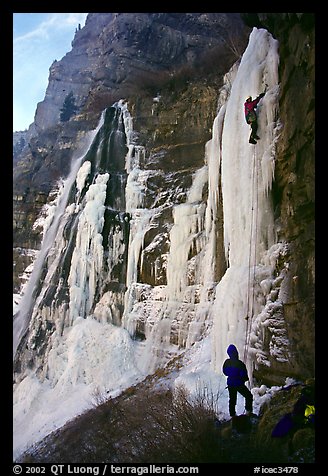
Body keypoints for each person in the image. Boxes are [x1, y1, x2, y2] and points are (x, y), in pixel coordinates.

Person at [222, 344, 253, 417]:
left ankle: (232, 415)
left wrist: (232, 374)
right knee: (248, 396)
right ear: (236, 352)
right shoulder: (240, 364)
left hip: (230, 384)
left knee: (232, 399)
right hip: (238, 384)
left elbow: (225, 372)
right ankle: (248, 411)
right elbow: (244, 375)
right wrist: (245, 379)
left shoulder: (227, 362)